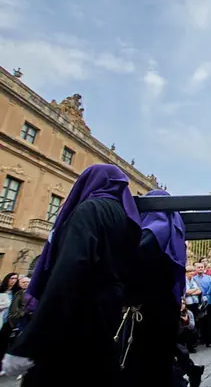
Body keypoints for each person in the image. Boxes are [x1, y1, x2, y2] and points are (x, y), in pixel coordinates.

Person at [3, 164, 142, 386]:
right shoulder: (125, 218)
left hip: (75, 317)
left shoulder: (91, 209)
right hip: (106, 313)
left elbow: (69, 270)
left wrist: (29, 343)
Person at [117, 189, 189, 386]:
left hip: (146, 310)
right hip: (167, 306)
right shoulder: (174, 234)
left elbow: (135, 264)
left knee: (142, 364)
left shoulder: (153, 231)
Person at [175, 299, 204, 387]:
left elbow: (192, 330)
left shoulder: (188, 313)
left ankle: (192, 370)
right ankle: (193, 370)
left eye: (183, 303)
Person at [193, 262, 211, 347]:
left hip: (208, 301)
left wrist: (206, 297)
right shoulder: (193, 279)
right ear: (195, 269)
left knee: (209, 320)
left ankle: (209, 339)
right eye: (199, 267)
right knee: (199, 321)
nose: (200, 268)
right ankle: (200, 338)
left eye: (202, 267)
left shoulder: (209, 278)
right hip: (197, 301)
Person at [0, 272, 19, 370]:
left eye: (15, 278)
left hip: (8, 322)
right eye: (12, 278)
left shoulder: (17, 293)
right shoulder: (1, 290)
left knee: (3, 343)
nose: (13, 280)